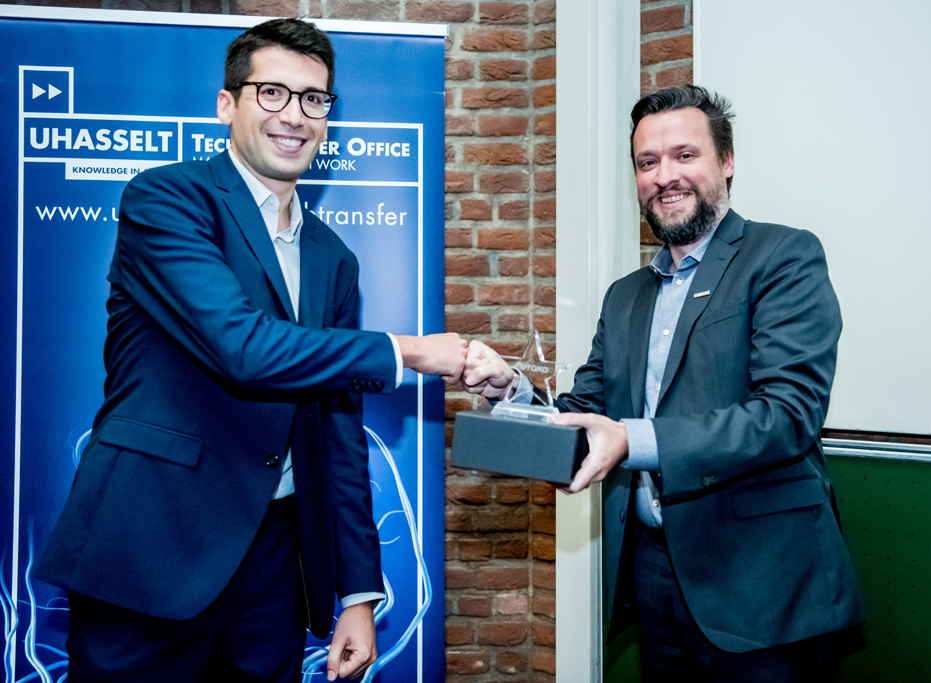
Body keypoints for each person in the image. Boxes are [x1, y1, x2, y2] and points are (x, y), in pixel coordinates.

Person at [35, 18, 465, 683]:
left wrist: (358, 593)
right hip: (151, 544)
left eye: (314, 99)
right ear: (226, 104)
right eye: (272, 93)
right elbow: (241, 347)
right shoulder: (166, 199)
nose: (294, 115)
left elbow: (337, 433)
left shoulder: (333, 257)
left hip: (276, 563)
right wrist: (408, 352)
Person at [463, 85, 867, 681]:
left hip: (765, 584)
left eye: (685, 155)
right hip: (653, 573)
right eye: (647, 162)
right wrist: (513, 391)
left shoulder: (783, 256)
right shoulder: (625, 296)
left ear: (727, 161)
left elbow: (787, 415)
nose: (664, 176)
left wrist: (632, 439)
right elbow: (586, 410)